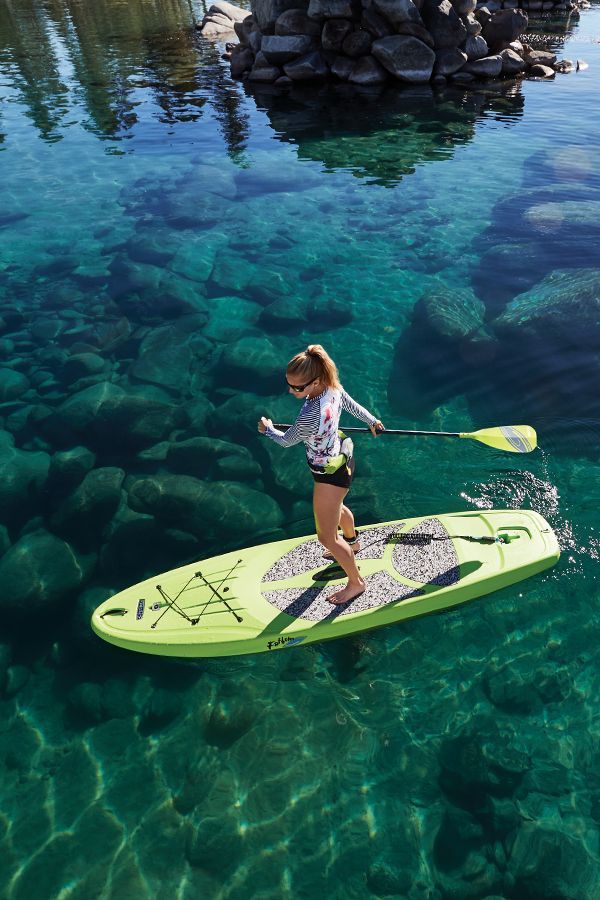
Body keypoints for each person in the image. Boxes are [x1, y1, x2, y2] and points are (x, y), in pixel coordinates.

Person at [258, 344, 384, 605]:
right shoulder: (332, 387)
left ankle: (356, 582)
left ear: (314, 381)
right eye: (290, 385)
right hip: (344, 462)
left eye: (298, 388)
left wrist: (268, 429)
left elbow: (286, 441)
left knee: (326, 537)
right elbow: (351, 405)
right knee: (338, 508)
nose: (292, 391)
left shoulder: (310, 414)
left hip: (328, 475)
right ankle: (353, 542)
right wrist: (372, 421)